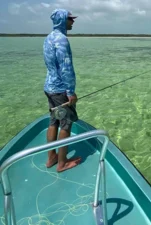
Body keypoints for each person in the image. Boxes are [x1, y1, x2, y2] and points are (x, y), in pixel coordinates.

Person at [43, 8, 81, 172]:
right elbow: (66, 69)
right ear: (63, 20)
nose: (73, 21)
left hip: (49, 87)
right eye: (70, 19)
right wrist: (71, 92)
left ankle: (51, 156)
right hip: (60, 91)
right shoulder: (62, 40)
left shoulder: (48, 38)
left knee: (53, 121)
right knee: (66, 124)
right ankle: (62, 162)